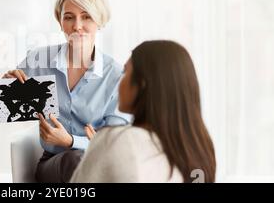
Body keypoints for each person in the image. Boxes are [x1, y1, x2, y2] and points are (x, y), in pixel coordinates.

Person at [3, 0, 130, 182]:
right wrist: (9, 88)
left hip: (102, 165)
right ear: (60, 22)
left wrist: (71, 141)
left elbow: (114, 142)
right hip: (54, 163)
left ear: (99, 21)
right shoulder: (39, 60)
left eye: (86, 16)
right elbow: (6, 108)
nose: (77, 26)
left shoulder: (116, 75)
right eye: (69, 17)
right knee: (74, 159)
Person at [70, 40, 216, 183]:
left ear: (141, 85)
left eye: (125, 72)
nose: (119, 81)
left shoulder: (118, 140)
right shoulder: (200, 149)